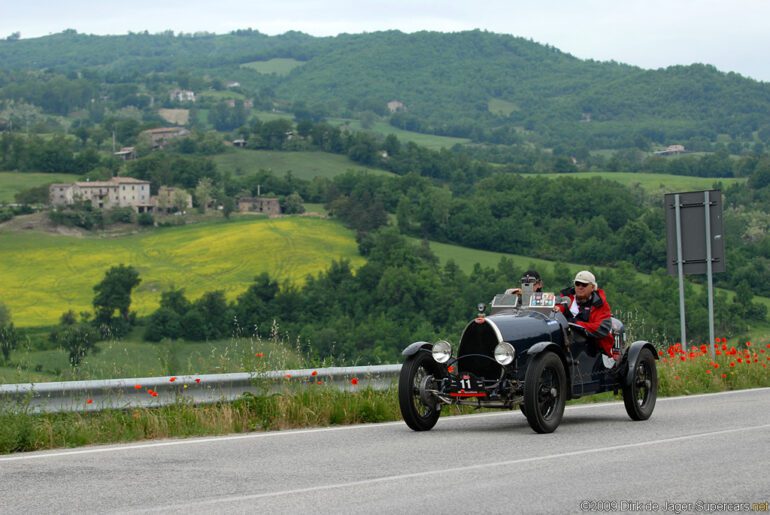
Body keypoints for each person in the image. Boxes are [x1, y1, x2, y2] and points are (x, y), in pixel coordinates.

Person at [554, 270, 614, 357]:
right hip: (567, 341)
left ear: (592, 287)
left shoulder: (600, 304)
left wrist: (575, 324)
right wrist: (556, 310)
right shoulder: (566, 298)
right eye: (577, 284)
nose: (580, 287)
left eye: (584, 284)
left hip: (592, 346)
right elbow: (558, 308)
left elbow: (602, 328)